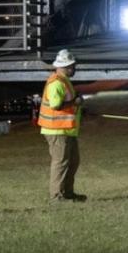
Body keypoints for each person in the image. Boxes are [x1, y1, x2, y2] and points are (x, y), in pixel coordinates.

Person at [39, 49, 87, 203]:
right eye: (72, 66)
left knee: (72, 161)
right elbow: (56, 106)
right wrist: (75, 102)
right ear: (64, 66)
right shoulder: (57, 83)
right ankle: (57, 197)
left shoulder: (64, 81)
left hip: (66, 129)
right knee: (60, 163)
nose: (74, 69)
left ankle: (68, 193)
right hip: (57, 130)